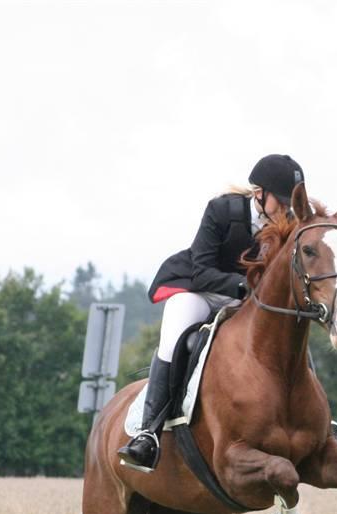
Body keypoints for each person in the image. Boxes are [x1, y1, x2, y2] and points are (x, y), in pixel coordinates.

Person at [118, 153, 305, 472]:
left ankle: (319, 422)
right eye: (283, 200)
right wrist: (245, 287)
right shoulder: (222, 210)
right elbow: (202, 271)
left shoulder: (289, 224)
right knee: (175, 333)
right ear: (259, 194)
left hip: (247, 300)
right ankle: (149, 432)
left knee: (288, 329)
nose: (287, 208)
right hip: (200, 291)